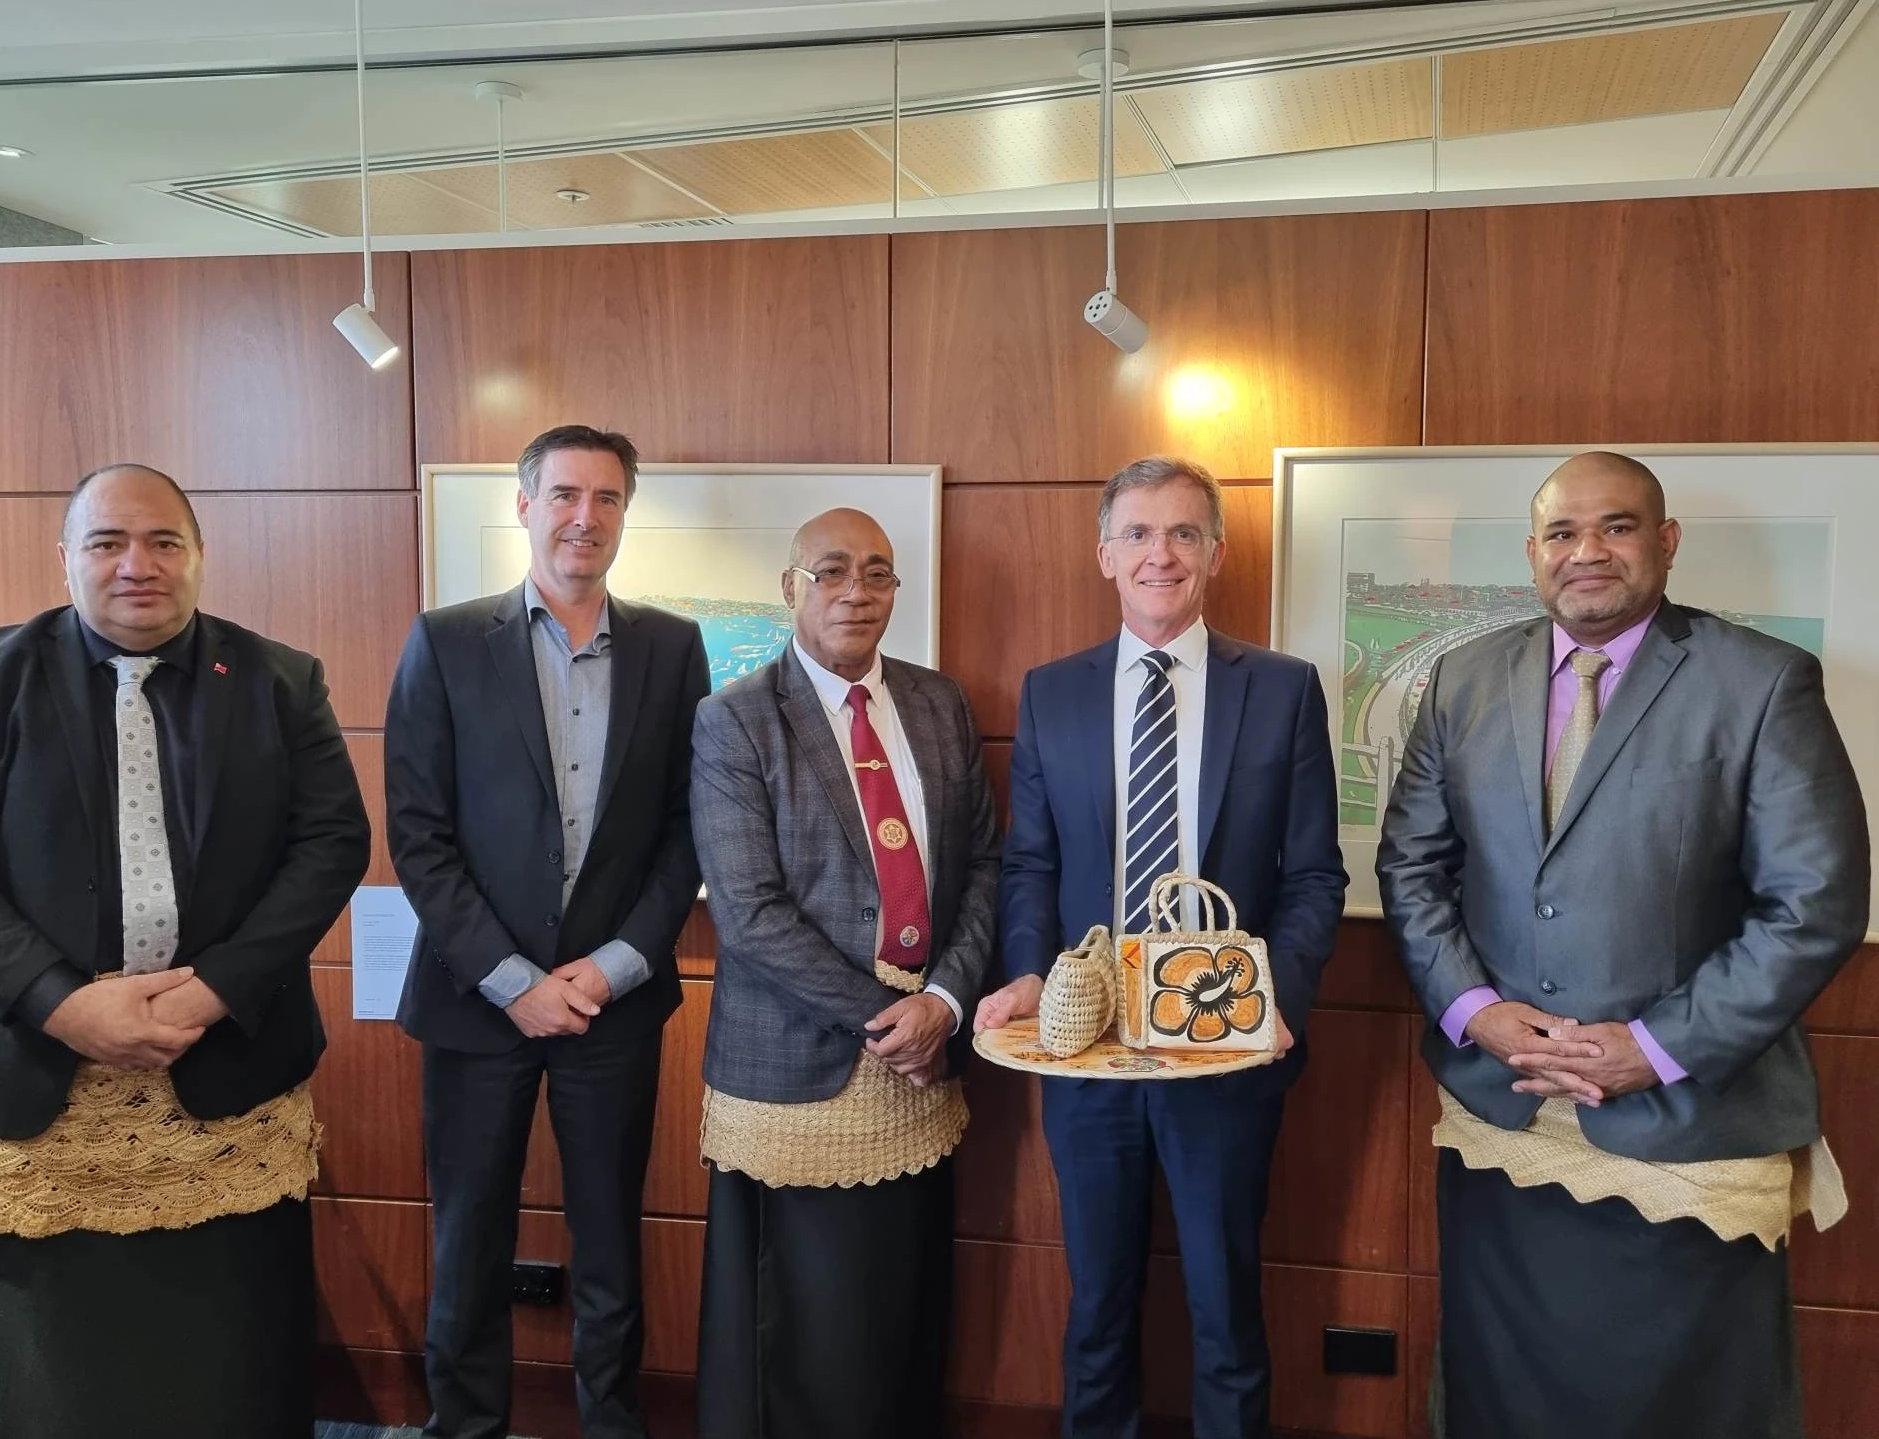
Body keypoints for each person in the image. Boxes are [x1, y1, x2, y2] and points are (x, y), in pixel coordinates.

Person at [1377, 450, 1869, 1439]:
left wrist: (1651, 1048)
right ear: (1533, 554)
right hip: (1502, 1113)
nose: (1587, 551)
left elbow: (1815, 903)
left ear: (1667, 541)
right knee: (1499, 1391)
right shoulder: (1464, 680)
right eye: (1563, 532)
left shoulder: (1764, 682)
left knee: (1684, 1401)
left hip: (1689, 1122)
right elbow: (1412, 870)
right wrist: (1478, 1012)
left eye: (1618, 526)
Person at [0, 463, 370, 1439]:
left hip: (221, 1064)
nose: (136, 565)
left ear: (198, 559)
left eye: (163, 543)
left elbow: (332, 846)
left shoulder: (282, 680)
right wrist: (65, 1003)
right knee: (32, 1379)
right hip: (28, 1067)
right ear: (65, 560)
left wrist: (216, 992)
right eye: (107, 543)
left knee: (219, 1369)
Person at [979, 455, 1346, 1439]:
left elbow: (1316, 878)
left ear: (1217, 554)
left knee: (1225, 1307)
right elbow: (1031, 866)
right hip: (1087, 1055)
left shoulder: (1282, 690)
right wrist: (1023, 974)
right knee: (1097, 1307)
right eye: (1138, 533)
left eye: (1184, 533)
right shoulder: (1052, 693)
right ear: (1105, 554)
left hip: (1225, 1049)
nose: (1160, 553)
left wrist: (1283, 1003)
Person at [385, 425, 710, 1439]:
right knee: (468, 1238)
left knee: (611, 1240)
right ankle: (464, 1427)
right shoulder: (443, 641)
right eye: (565, 494)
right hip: (476, 1004)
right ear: (523, 507)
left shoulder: (671, 646)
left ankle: (610, 1422)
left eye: (607, 498)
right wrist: (515, 978)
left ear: (625, 514)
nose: (585, 516)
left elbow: (684, 832)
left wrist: (610, 972)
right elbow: (418, 837)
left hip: (613, 1011)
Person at [689, 507, 999, 1439]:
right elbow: (748, 913)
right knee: (801, 1330)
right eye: (830, 572)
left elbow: (985, 864)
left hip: (926, 1063)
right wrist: (888, 1017)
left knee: (899, 1310)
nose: (855, 593)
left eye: (877, 573)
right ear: (790, 589)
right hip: (797, 1070)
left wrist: (944, 1001)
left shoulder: (940, 703)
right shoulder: (735, 719)